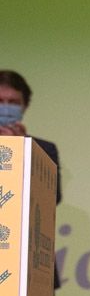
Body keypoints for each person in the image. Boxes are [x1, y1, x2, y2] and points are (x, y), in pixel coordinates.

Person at [0, 70, 61, 203]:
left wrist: (23, 149)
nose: (5, 107)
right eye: (0, 101)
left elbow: (52, 197)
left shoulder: (44, 149)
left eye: (13, 102)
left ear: (25, 106)